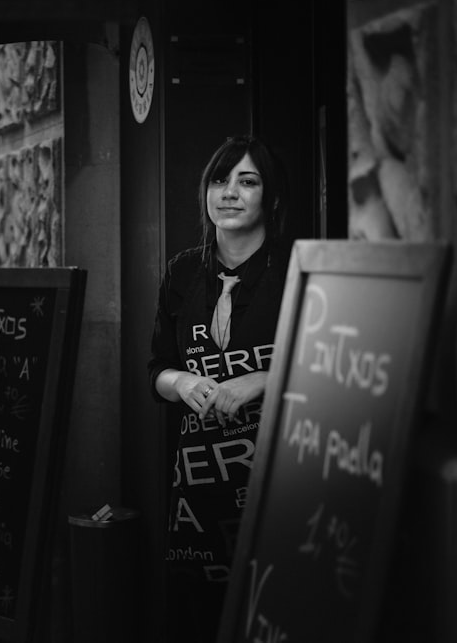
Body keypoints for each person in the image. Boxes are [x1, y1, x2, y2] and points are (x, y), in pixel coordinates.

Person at [147, 135, 291, 643]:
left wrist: (265, 379)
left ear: (270, 199)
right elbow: (156, 370)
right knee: (201, 619)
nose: (229, 192)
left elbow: (337, 375)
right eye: (219, 180)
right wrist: (181, 381)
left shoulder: (300, 269)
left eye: (246, 182)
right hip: (200, 492)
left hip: (283, 488)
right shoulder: (183, 272)